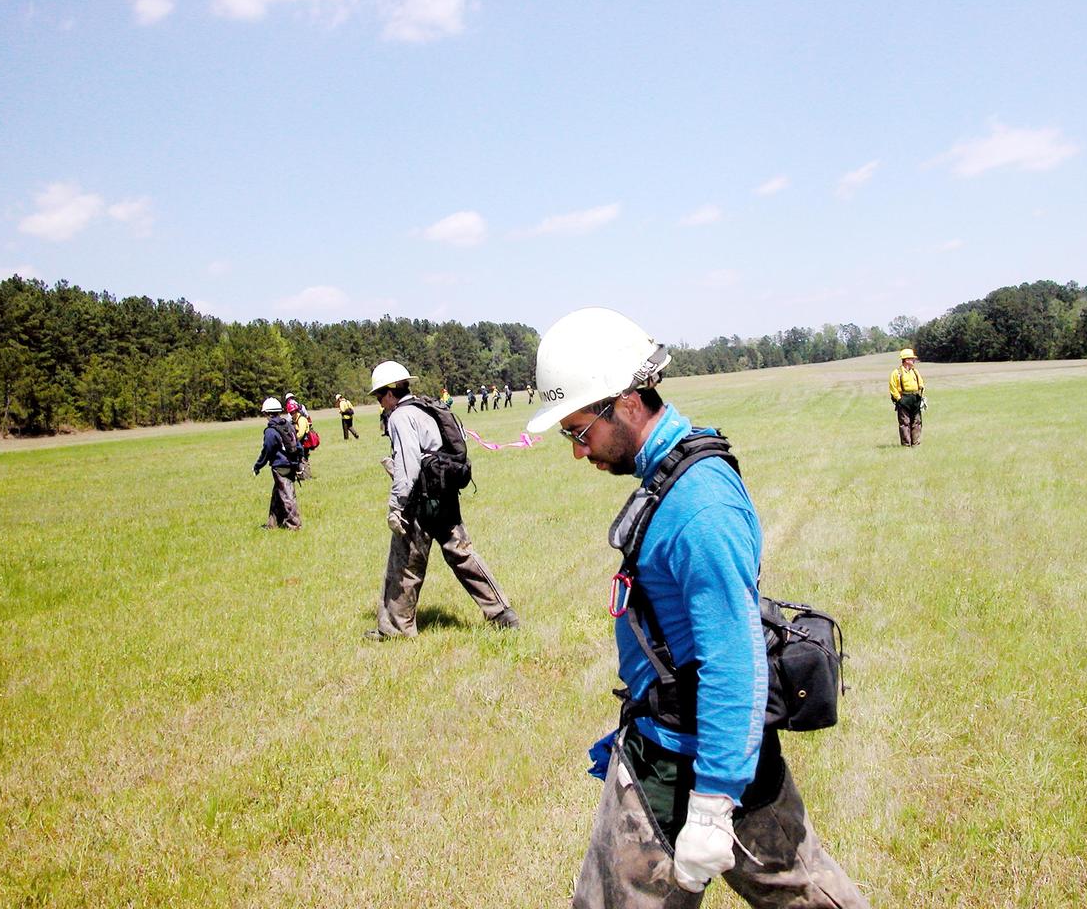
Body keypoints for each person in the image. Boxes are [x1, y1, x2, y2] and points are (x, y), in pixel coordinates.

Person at [528, 308, 868, 909]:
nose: (578, 453)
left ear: (627, 402)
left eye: (579, 431)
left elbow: (734, 656)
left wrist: (711, 807)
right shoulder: (671, 476)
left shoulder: (699, 505)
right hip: (675, 744)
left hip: (684, 765)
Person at [365, 360, 521, 640]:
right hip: (445, 493)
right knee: (463, 554)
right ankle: (501, 612)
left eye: (379, 396)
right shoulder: (428, 408)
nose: (380, 403)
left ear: (390, 392)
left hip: (420, 500)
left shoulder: (401, 417)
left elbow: (408, 467)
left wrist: (396, 507)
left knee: (404, 565)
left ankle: (396, 630)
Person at [252, 396, 301, 530]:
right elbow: (298, 445)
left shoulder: (270, 431)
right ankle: (272, 524)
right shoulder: (288, 425)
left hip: (280, 466)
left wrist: (258, 466)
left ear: (266, 413)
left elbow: (267, 451)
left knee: (287, 496)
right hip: (292, 463)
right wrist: (299, 463)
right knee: (277, 495)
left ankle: (294, 525)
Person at [889, 348, 926, 447]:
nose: (914, 361)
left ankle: (916, 444)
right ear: (906, 360)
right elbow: (893, 388)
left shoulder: (915, 371)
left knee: (917, 422)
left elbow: (921, 383)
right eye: (912, 359)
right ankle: (906, 445)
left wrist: (921, 393)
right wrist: (899, 399)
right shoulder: (896, 373)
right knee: (905, 423)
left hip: (915, 398)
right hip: (903, 399)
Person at [286, 398, 313, 479]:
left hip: (304, 442)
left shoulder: (301, 419)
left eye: (292, 412)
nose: (291, 414)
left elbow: (301, 433)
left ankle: (307, 476)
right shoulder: (296, 419)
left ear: (295, 411)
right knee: (301, 458)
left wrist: (293, 440)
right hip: (301, 442)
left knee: (303, 459)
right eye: (290, 413)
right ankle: (302, 475)